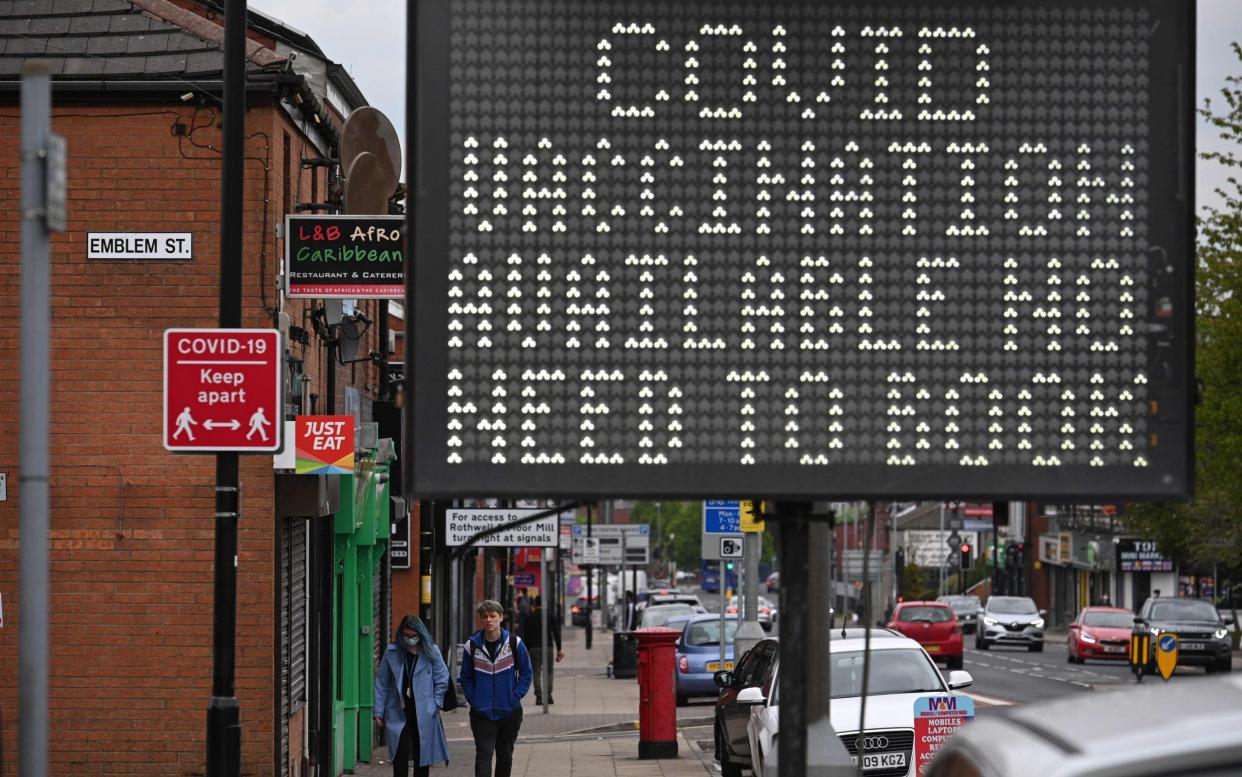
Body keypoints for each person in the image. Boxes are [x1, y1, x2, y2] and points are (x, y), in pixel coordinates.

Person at [461, 599, 532, 777]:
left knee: (505, 755)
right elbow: (466, 677)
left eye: (493, 616)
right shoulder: (472, 646)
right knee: (483, 755)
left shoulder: (514, 643)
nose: (489, 620)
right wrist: (474, 699)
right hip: (482, 712)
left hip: (509, 711)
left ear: (501, 617)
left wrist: (515, 696)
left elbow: (526, 673)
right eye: (485, 616)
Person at [374, 614, 450, 777]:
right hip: (399, 709)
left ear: (420, 635)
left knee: (422, 756)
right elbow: (382, 682)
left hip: (424, 710)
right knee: (399, 754)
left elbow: (442, 679)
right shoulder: (392, 652)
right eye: (406, 635)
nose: (409, 639)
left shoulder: (431, 651)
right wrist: (378, 710)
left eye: (413, 636)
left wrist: (435, 704)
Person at [520, 596, 564, 704]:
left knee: (536, 671)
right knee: (549, 671)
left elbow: (525, 635)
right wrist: (559, 649)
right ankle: (548, 694)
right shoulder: (549, 616)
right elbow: (556, 634)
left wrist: (525, 650)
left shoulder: (530, 618)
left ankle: (538, 696)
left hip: (534, 648)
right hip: (548, 647)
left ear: (534, 604)